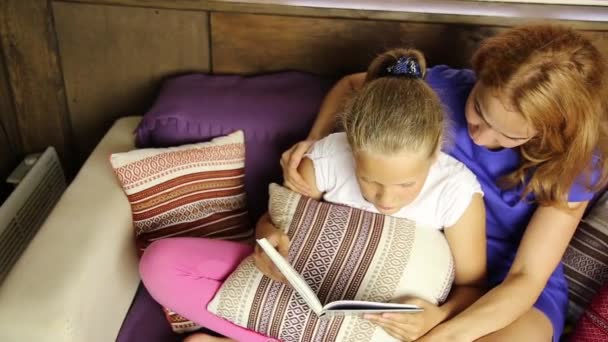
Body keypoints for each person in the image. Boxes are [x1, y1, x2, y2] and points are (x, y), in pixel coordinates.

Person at [281, 24, 608, 341]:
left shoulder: (575, 164)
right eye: (479, 109)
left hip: (511, 292)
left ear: (549, 131)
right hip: (422, 261)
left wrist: (444, 326)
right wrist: (314, 140)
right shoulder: (441, 89)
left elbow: (526, 278)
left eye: (511, 135)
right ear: (480, 75)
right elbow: (353, 87)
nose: (481, 136)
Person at [139, 49, 487, 342]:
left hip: (372, 329)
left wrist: (438, 317)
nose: (386, 200)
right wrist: (266, 242)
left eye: (406, 185)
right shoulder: (325, 160)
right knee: (160, 262)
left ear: (434, 155)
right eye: (369, 180)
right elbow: (271, 223)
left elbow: (472, 288)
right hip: (298, 296)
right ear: (351, 146)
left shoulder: (457, 193)